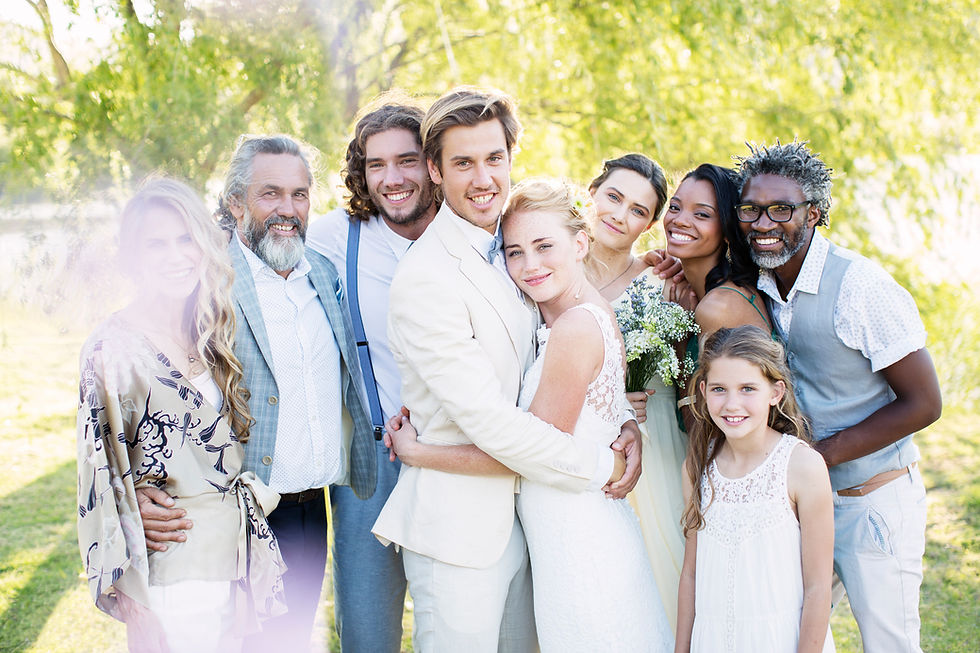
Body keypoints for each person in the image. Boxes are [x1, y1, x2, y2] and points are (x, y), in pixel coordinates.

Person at [371, 87, 647, 653]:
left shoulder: (513, 246)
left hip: (531, 528)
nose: (483, 178)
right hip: (459, 531)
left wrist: (621, 420)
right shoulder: (426, 276)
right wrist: (598, 462)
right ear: (434, 170)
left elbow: (574, 349)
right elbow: (488, 418)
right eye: (463, 163)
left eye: (494, 158)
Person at [136, 136, 378, 652]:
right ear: (235, 203)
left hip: (309, 515)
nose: (287, 210)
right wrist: (137, 483)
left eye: (299, 194)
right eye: (270, 194)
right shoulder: (205, 281)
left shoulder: (324, 273)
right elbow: (148, 384)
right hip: (230, 515)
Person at [735, 141, 942, 652]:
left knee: (888, 643)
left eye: (782, 209)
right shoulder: (758, 278)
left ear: (815, 214)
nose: (764, 222)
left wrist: (817, 457)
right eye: (751, 209)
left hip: (871, 500)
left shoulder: (861, 286)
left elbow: (924, 402)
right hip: (801, 506)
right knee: (782, 634)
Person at [76, 178, 287, 652]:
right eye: (156, 244)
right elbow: (100, 481)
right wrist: (133, 598)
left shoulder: (211, 331)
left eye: (185, 239)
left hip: (233, 563)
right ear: (132, 256)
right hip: (169, 575)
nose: (176, 256)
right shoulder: (113, 349)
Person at [306, 100, 436, 652]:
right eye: (376, 164)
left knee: (456, 621)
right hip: (370, 461)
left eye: (406, 160)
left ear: (432, 162)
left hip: (458, 458)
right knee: (366, 630)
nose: (392, 179)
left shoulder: (478, 234)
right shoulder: (335, 237)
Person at [675, 326, 835, 652]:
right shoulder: (697, 468)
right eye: (719, 389)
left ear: (775, 392)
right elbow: (691, 575)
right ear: (703, 391)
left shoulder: (801, 466)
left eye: (748, 388)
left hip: (779, 639)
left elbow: (818, 587)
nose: (732, 404)